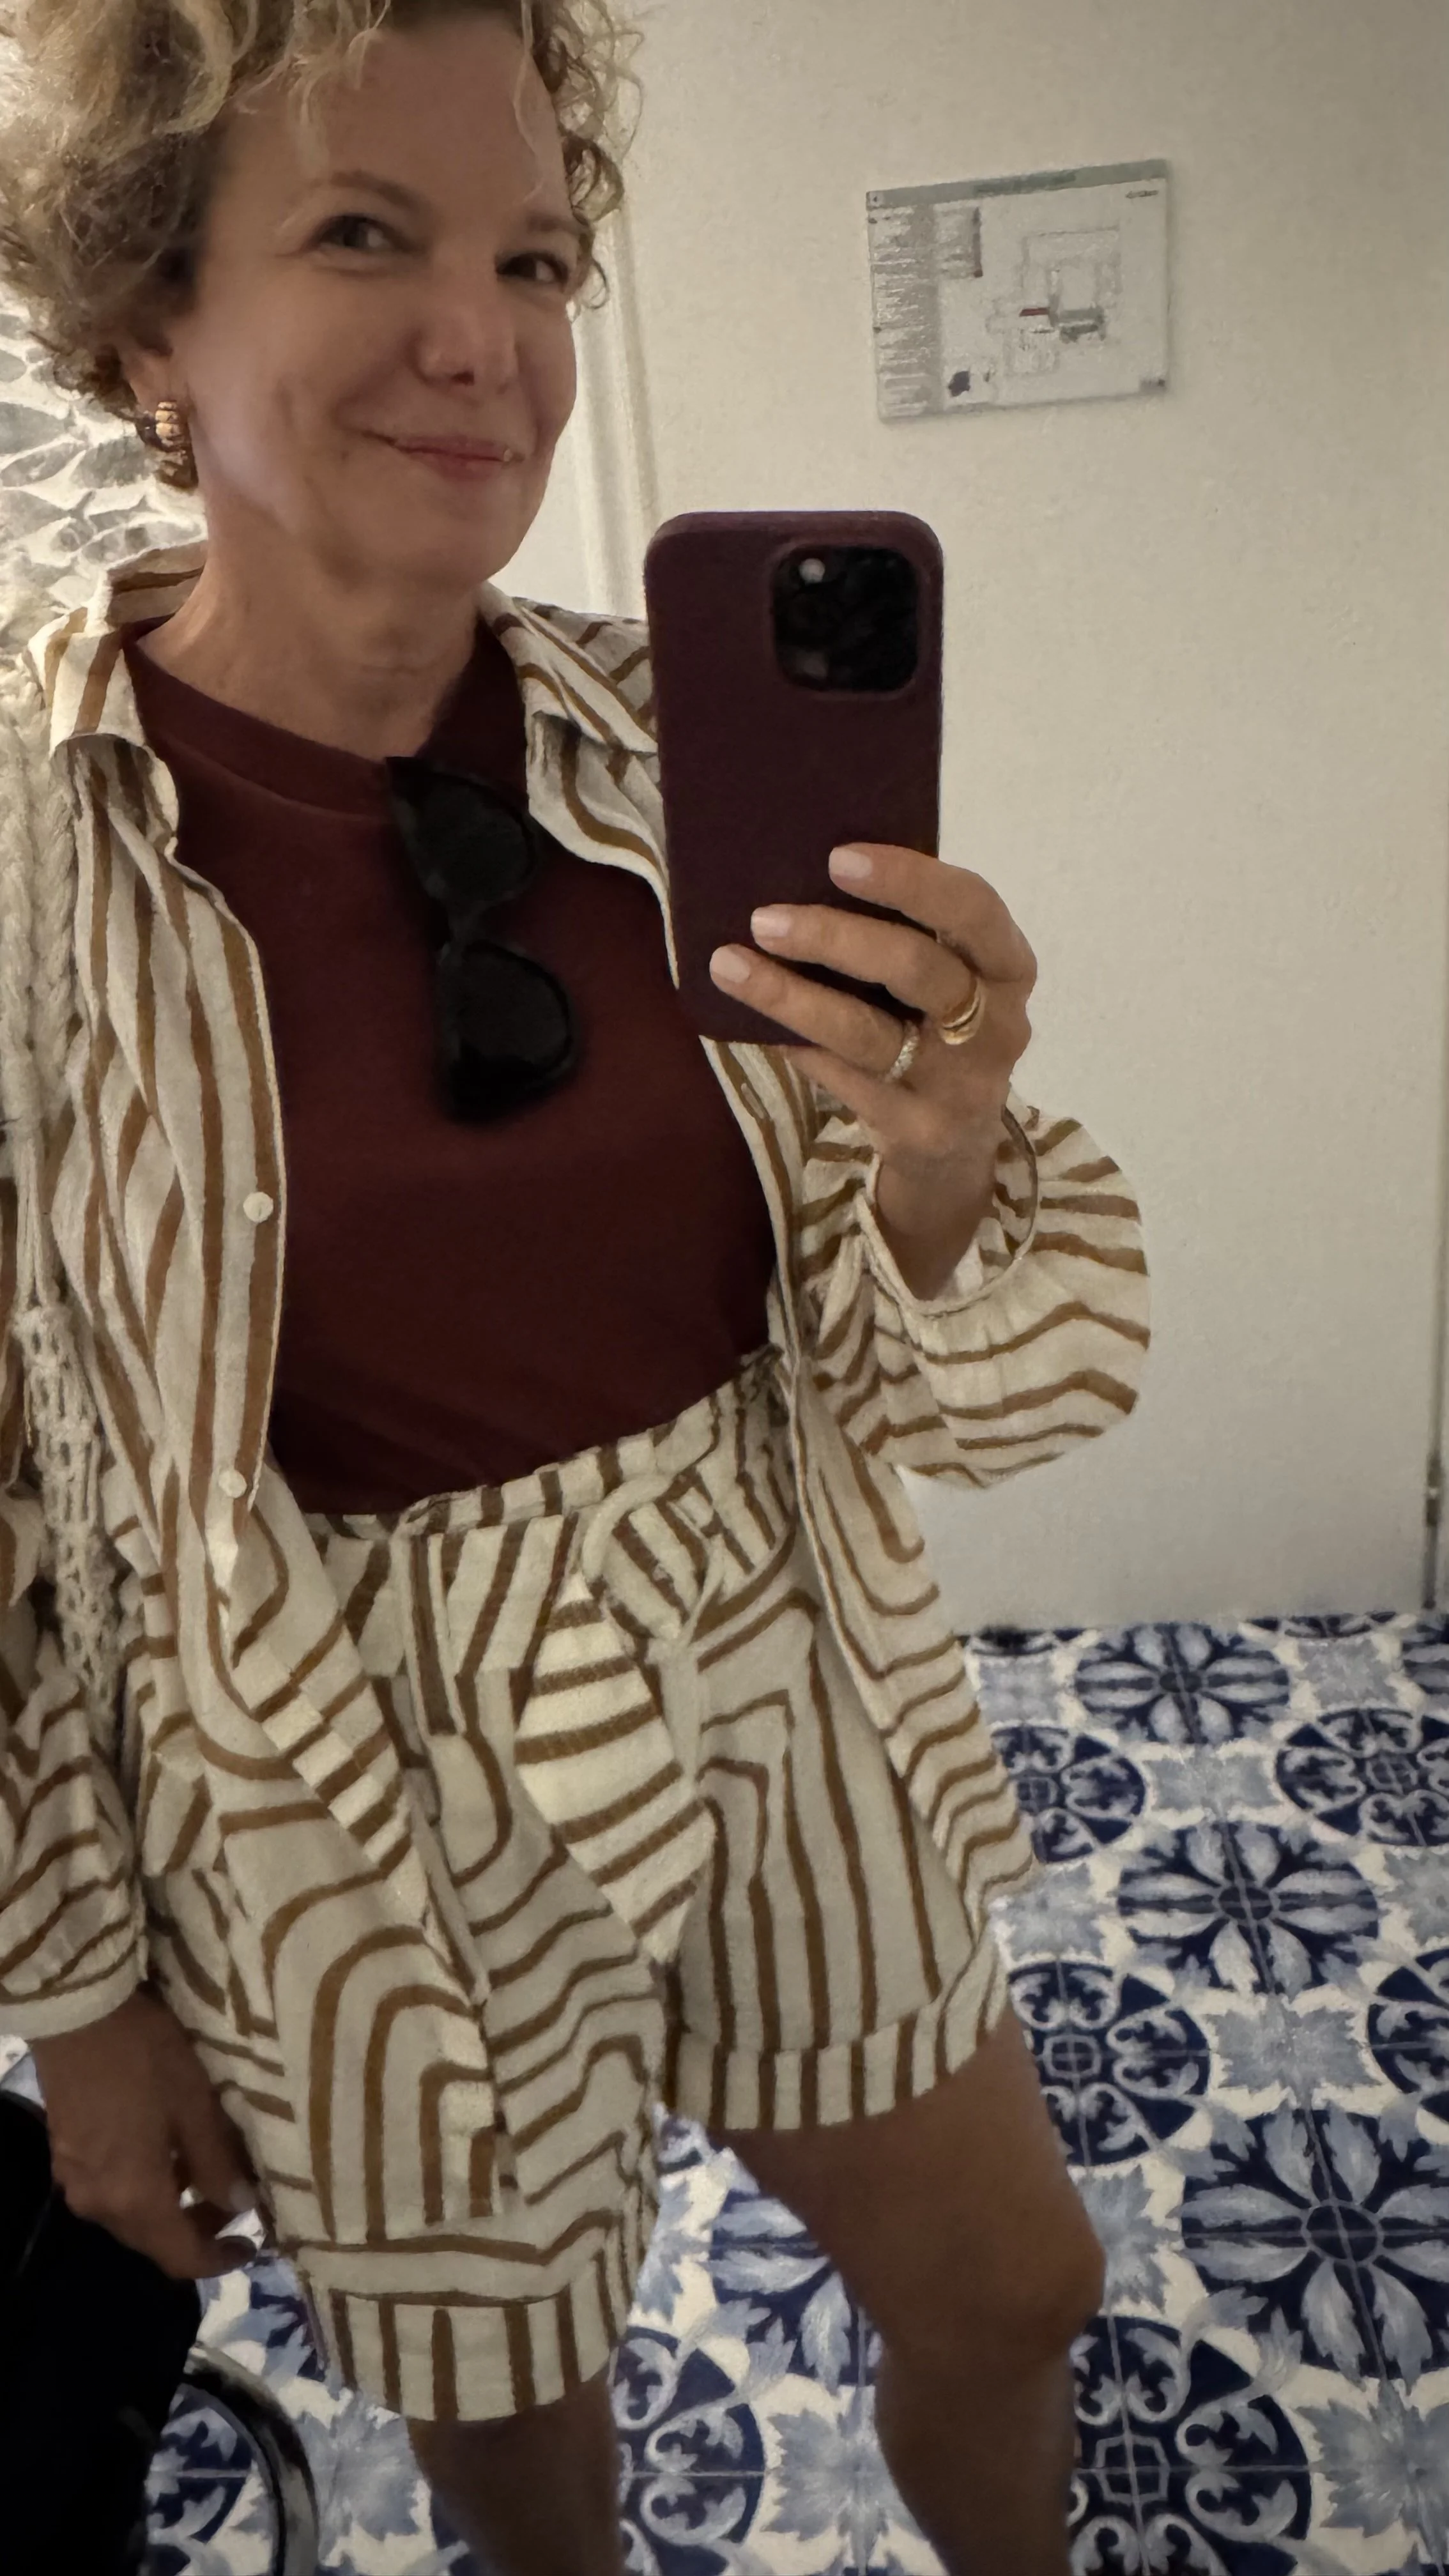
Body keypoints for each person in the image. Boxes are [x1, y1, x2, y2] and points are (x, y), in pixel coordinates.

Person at [0, 4, 1151, 2572]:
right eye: (365, 234)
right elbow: (14, 1514)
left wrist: (946, 1150)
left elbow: (963, 1387)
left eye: (533, 258)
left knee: (1016, 2287)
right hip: (343, 1782)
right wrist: (83, 2008)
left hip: (777, 1653)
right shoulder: (27, 850)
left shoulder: (669, 758)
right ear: (146, 317)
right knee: (529, 2454)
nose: (485, 339)